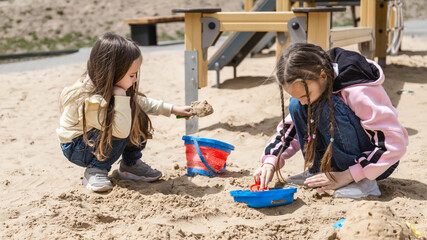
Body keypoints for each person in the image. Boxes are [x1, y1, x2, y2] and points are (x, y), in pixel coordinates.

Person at [253, 43, 408, 197]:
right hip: (343, 157)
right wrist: (271, 160)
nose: (303, 101)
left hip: (378, 162)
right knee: (296, 106)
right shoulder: (313, 88)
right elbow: (291, 130)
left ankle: (361, 183)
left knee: (328, 104)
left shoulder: (358, 90)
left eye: (304, 95)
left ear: (323, 76)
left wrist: (351, 174)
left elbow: (394, 143)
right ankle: (319, 172)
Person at [57, 33, 192, 192]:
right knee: (123, 121)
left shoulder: (109, 86)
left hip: (93, 139)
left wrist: (172, 109)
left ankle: (130, 164)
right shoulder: (89, 98)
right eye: (132, 75)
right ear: (112, 72)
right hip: (77, 146)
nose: (135, 79)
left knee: (135, 111)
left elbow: (141, 103)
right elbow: (120, 132)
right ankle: (95, 170)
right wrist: (120, 96)